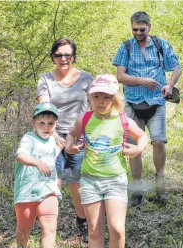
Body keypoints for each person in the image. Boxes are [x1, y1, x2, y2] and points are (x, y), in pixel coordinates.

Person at [66, 74, 148, 248]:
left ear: (115, 99)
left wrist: (138, 149)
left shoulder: (122, 120)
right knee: (94, 230)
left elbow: (141, 136)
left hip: (115, 180)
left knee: (117, 229)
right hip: (90, 180)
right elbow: (72, 134)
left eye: (106, 97)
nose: (101, 101)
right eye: (96, 96)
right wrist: (70, 146)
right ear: (91, 98)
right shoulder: (86, 119)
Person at [113, 11, 182, 206]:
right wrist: (141, 81)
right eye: (134, 29)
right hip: (133, 103)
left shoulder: (161, 45)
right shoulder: (125, 47)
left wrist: (169, 85)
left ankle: (160, 185)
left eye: (142, 29)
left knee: (158, 142)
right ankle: (137, 191)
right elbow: (120, 76)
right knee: (134, 148)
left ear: (149, 28)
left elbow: (176, 68)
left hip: (157, 102)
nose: (138, 33)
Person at [36, 38, 94, 242]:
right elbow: (44, 110)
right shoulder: (45, 79)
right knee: (53, 183)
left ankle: (83, 224)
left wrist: (84, 136)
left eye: (67, 54)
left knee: (77, 183)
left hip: (79, 136)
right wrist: (56, 137)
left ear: (74, 56)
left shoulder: (87, 78)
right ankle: (49, 230)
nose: (63, 58)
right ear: (53, 57)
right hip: (51, 137)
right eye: (59, 55)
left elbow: (94, 109)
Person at [13, 102, 62, 248]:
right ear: (34, 122)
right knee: (24, 228)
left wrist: (69, 147)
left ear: (55, 124)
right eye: (41, 123)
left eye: (50, 124)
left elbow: (56, 156)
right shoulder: (29, 138)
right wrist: (37, 163)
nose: (46, 127)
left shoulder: (54, 141)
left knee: (49, 228)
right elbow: (20, 155)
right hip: (26, 191)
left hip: (48, 190)